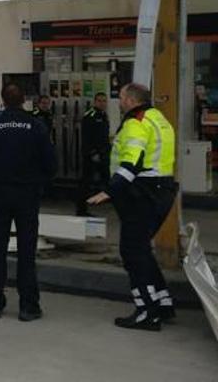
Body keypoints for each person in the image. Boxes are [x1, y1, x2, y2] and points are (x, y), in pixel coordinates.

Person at [87, 83, 178, 331]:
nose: (119, 101)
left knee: (132, 251)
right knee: (140, 249)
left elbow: (132, 161)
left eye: (122, 97)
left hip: (142, 193)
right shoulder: (159, 118)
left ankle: (147, 312)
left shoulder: (136, 122)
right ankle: (162, 303)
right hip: (161, 190)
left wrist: (109, 191)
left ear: (130, 99)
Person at [0, 83, 56, 321]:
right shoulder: (36, 126)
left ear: (3, 101)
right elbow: (51, 164)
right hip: (28, 194)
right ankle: (28, 306)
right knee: (27, 250)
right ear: (24, 101)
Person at [76, 93, 110, 216]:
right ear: (95, 102)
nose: (102, 103)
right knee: (86, 182)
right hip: (92, 154)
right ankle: (81, 209)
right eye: (100, 101)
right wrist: (92, 153)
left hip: (103, 152)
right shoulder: (90, 116)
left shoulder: (103, 115)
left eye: (104, 101)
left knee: (107, 179)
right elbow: (87, 137)